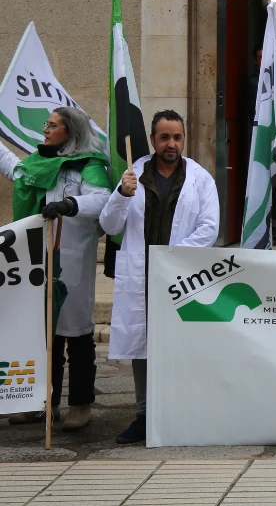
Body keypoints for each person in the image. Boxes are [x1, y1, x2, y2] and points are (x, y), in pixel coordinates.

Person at [100, 110, 219, 444]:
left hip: (180, 275)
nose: (171, 143)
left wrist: (171, 258)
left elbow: (209, 228)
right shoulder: (133, 175)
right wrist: (122, 195)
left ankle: (180, 412)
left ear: (184, 138)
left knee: (179, 344)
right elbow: (110, 226)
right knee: (142, 346)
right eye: (164, 137)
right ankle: (143, 415)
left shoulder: (199, 178)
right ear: (153, 139)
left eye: (177, 137)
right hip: (140, 277)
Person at [0, 108, 111, 431]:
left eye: (52, 125)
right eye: (46, 124)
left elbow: (102, 200)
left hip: (72, 261)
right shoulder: (38, 162)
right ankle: (42, 404)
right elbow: (14, 169)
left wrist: (70, 205)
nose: (45, 130)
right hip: (38, 263)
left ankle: (80, 403)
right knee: (43, 335)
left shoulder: (87, 166)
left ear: (70, 131)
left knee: (75, 334)